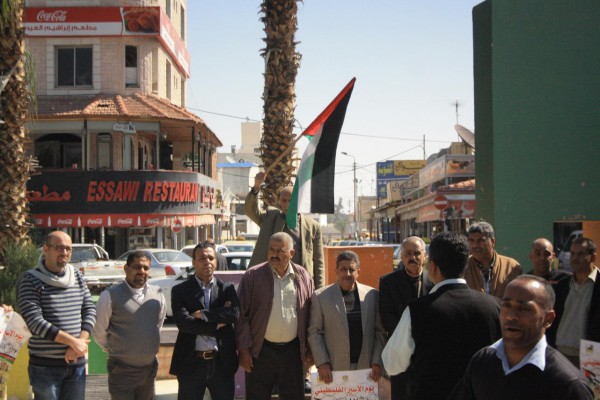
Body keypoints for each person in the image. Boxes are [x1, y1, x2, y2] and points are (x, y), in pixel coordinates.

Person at [382, 232, 501, 400]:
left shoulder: (417, 311)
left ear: (432, 266)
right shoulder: (494, 306)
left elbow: (392, 364)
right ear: (465, 264)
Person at [449, 275, 593, 399]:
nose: (511, 316)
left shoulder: (567, 384)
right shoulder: (482, 362)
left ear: (548, 319)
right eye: (506, 305)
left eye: (524, 309)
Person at [17, 231, 96, 400]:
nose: (65, 252)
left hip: (76, 364)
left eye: (68, 248)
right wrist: (72, 342)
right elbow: (34, 322)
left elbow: (89, 309)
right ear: (46, 249)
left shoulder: (77, 276)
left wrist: (79, 342)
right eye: (59, 248)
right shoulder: (30, 280)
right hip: (45, 368)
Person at [236, 232, 313, 400]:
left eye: (280, 251)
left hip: (293, 353)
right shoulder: (253, 276)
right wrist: (243, 350)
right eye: (272, 249)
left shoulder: (302, 277)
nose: (274, 254)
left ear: (291, 253)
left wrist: (310, 350)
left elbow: (310, 316)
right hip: (260, 352)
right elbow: (241, 315)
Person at [169, 242, 240, 400]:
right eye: (202, 258)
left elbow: (235, 314)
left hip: (222, 363)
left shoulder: (226, 288)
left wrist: (204, 314)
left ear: (216, 261)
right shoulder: (180, 290)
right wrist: (217, 325)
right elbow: (184, 323)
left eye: (211, 258)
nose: (207, 262)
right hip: (191, 363)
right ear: (193, 262)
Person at [93, 251, 166, 400]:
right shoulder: (110, 295)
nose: (142, 271)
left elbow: (157, 325)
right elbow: (99, 330)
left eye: (146, 268)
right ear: (126, 268)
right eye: (137, 267)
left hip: (149, 370)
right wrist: (115, 348)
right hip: (121, 371)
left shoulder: (157, 294)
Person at [308, 251, 386, 384]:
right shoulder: (320, 297)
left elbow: (380, 332)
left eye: (351, 269)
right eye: (343, 269)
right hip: (333, 370)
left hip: (366, 370)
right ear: (336, 271)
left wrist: (377, 361)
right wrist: (322, 362)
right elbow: (315, 332)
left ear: (358, 272)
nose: (347, 274)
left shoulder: (372, 296)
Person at [245, 171, 325, 289]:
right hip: (271, 283)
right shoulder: (270, 218)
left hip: (300, 285)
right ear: (279, 201)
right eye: (284, 200)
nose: (287, 204)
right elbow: (250, 210)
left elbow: (319, 263)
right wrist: (256, 186)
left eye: (291, 201)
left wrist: (319, 292)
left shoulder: (313, 227)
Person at [378, 236, 433, 400]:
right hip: (400, 350)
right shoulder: (388, 282)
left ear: (425, 256)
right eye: (408, 254)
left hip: (427, 353)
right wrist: (409, 338)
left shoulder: (434, 281)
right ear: (402, 256)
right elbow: (386, 315)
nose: (412, 257)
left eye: (417, 253)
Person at [547, 237, 600, 368]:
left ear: (593, 257)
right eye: (572, 254)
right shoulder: (563, 285)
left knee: (591, 383)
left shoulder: (597, 285)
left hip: (592, 355)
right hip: (561, 353)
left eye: (580, 254)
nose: (575, 258)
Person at [464, 221, 522, 298]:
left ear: (493, 241)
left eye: (480, 240)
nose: (475, 245)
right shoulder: (463, 266)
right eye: (471, 241)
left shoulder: (512, 267)